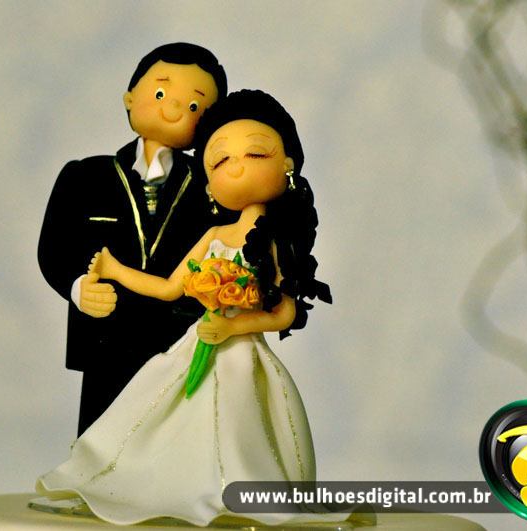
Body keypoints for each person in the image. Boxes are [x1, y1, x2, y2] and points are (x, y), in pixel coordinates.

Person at [35, 90, 332, 526]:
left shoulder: (277, 243)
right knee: (157, 415)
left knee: (240, 426)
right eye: (220, 160)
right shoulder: (213, 235)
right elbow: (168, 289)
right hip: (195, 347)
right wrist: (116, 269)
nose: (237, 166)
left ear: (287, 163)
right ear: (209, 183)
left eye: (255, 153)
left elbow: (285, 313)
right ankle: (168, 489)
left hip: (240, 354)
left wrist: (233, 328)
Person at [37, 43, 229, 435]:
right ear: (129, 97)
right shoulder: (84, 177)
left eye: (194, 105)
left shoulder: (214, 188)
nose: (173, 108)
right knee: (101, 440)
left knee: (173, 436)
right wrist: (77, 287)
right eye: (160, 93)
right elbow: (54, 248)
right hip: (107, 340)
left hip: (181, 343)